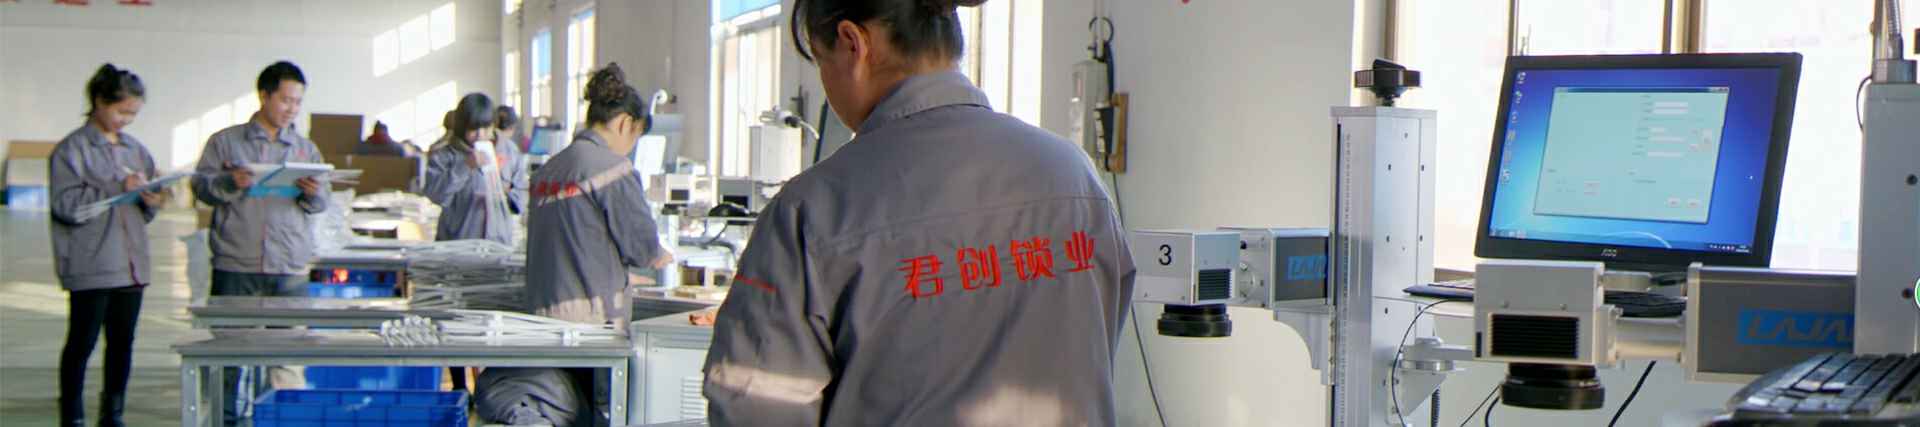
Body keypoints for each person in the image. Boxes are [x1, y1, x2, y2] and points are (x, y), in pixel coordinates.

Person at [701, 0, 1135, 425]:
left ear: (853, 43)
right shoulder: (1075, 177)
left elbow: (754, 407)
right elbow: (1093, 347)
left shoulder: (812, 210)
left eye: (821, 62)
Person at [492, 63, 669, 427]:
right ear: (625, 124)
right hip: (591, 322)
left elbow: (575, 240)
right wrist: (660, 254)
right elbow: (642, 249)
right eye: (635, 137)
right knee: (599, 412)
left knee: (564, 408)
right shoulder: (612, 169)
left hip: (544, 316)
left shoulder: (549, 170)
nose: (631, 148)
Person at [189, 60, 328, 426]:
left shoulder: (305, 150)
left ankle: (280, 421)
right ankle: (225, 421)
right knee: (229, 358)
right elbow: (201, 189)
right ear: (264, 96)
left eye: (297, 102)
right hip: (237, 264)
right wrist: (229, 182)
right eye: (285, 100)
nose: (291, 109)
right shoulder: (225, 143)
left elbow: (322, 202)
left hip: (289, 268)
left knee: (287, 359)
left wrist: (313, 193)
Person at [48, 64, 165, 427]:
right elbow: (66, 206)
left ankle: (113, 412)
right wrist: (117, 188)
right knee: (82, 343)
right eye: (121, 111)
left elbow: (144, 209)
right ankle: (72, 415)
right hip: (92, 264)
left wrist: (153, 199)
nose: (126, 120)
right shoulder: (72, 150)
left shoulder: (136, 150)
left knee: (122, 343)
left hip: (131, 265)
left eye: (132, 114)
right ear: (99, 101)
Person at [424, 93, 524, 244]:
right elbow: (435, 195)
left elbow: (522, 194)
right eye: (473, 129)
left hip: (498, 242)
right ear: (461, 127)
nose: (480, 135)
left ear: (493, 124)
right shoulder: (445, 154)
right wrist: (464, 167)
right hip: (458, 242)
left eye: (486, 128)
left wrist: (507, 193)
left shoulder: (509, 151)